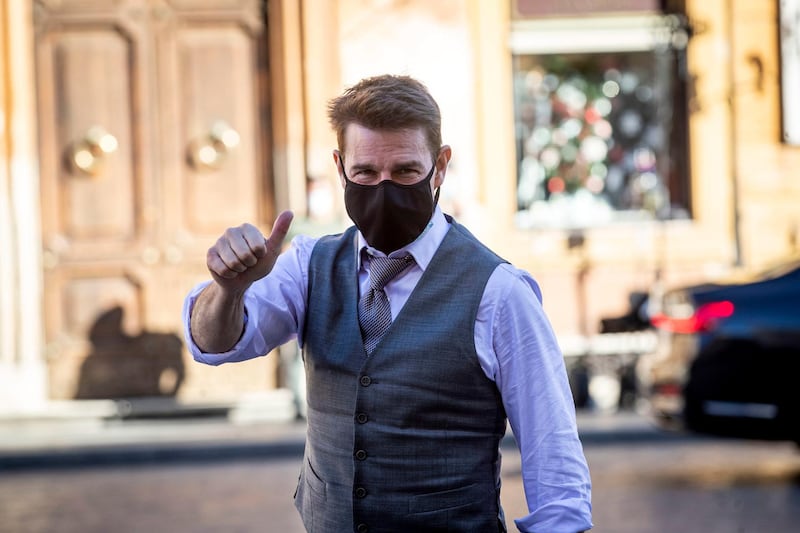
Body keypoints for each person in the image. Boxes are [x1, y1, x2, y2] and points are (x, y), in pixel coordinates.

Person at [183, 74, 592, 533]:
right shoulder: (306, 267)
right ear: (341, 167)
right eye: (365, 173)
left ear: (439, 167)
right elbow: (215, 344)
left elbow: (552, 451)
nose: (384, 189)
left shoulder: (499, 293)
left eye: (405, 172)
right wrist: (228, 288)